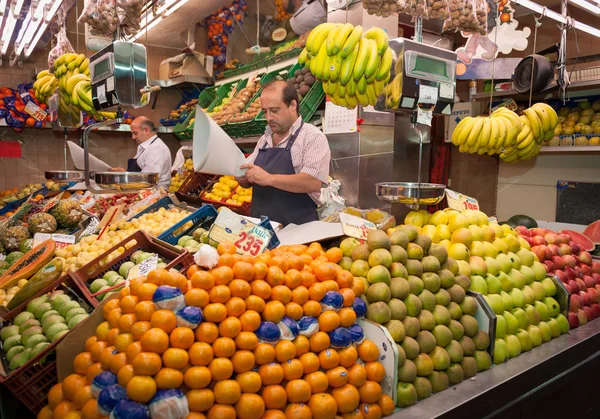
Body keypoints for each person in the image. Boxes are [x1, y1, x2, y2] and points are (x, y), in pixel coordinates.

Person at [237, 80, 331, 226]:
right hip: (261, 229)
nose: (268, 118)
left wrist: (269, 179)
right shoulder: (264, 139)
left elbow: (312, 182)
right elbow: (250, 178)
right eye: (265, 111)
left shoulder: (312, 137)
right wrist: (244, 179)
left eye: (274, 110)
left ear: (293, 105)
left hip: (299, 232)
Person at [112, 116, 172, 189]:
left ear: (146, 130)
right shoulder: (146, 147)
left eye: (135, 133)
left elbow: (148, 181)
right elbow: (141, 175)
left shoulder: (156, 148)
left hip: (153, 196)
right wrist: (125, 174)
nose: (133, 137)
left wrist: (125, 176)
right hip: (142, 192)